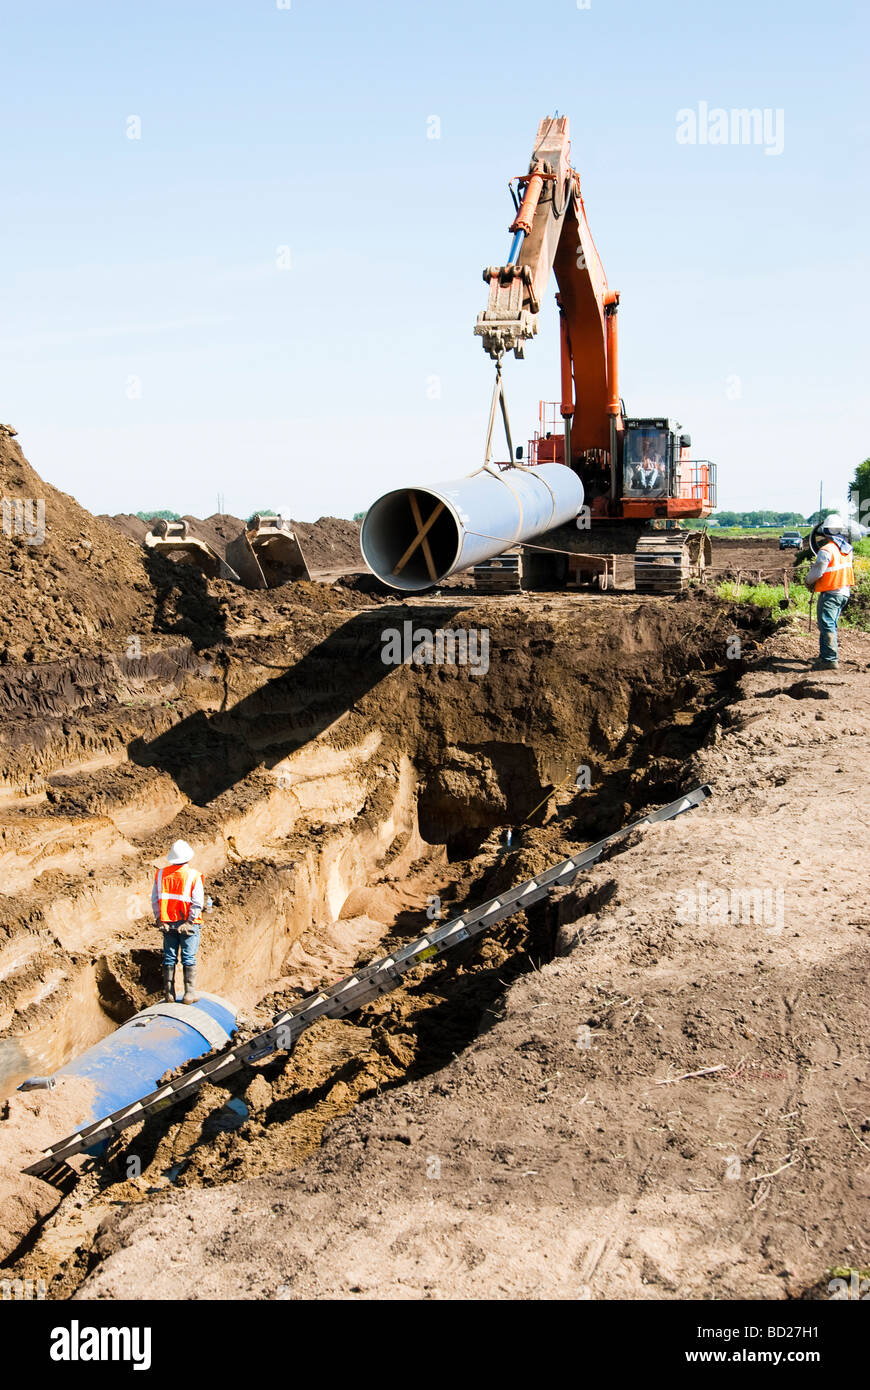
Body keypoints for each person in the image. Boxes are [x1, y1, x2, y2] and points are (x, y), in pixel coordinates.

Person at [152, 840, 205, 1004]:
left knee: (169, 958)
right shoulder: (194, 875)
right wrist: (189, 922)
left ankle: (169, 994)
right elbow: (197, 903)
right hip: (187, 924)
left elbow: (155, 899)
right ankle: (189, 994)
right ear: (188, 858)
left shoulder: (161, 874)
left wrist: (159, 919)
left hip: (168, 923)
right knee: (188, 958)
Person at [804, 514, 855, 670]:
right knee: (830, 624)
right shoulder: (846, 549)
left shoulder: (826, 550)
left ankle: (829, 660)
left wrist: (807, 580)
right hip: (844, 592)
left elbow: (818, 572)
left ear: (825, 531)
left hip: (831, 594)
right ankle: (825, 656)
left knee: (826, 625)